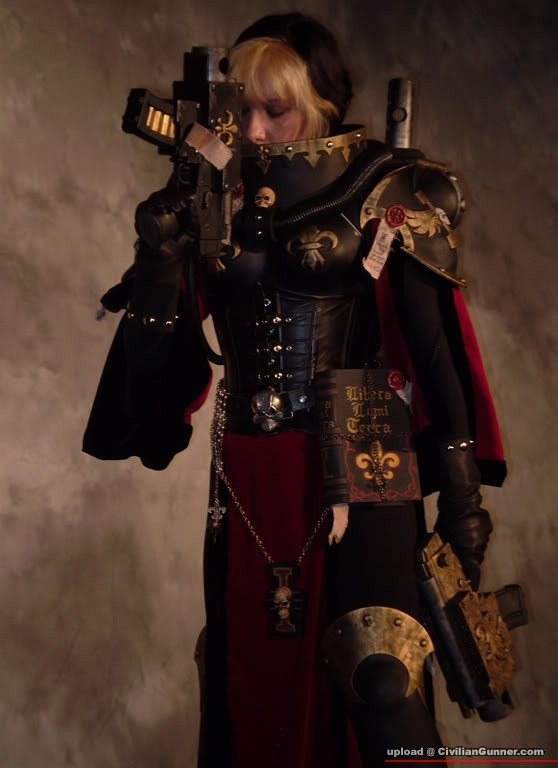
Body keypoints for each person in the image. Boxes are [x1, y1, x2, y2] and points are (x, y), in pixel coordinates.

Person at [83, 12, 506, 768]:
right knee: (248, 683)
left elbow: (437, 358)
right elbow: (149, 375)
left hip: (367, 448)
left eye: (275, 109)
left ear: (320, 106)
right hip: (251, 467)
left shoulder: (389, 188)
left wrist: (463, 507)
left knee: (382, 677)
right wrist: (158, 262)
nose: (254, 129)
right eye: (241, 108)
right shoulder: (211, 198)